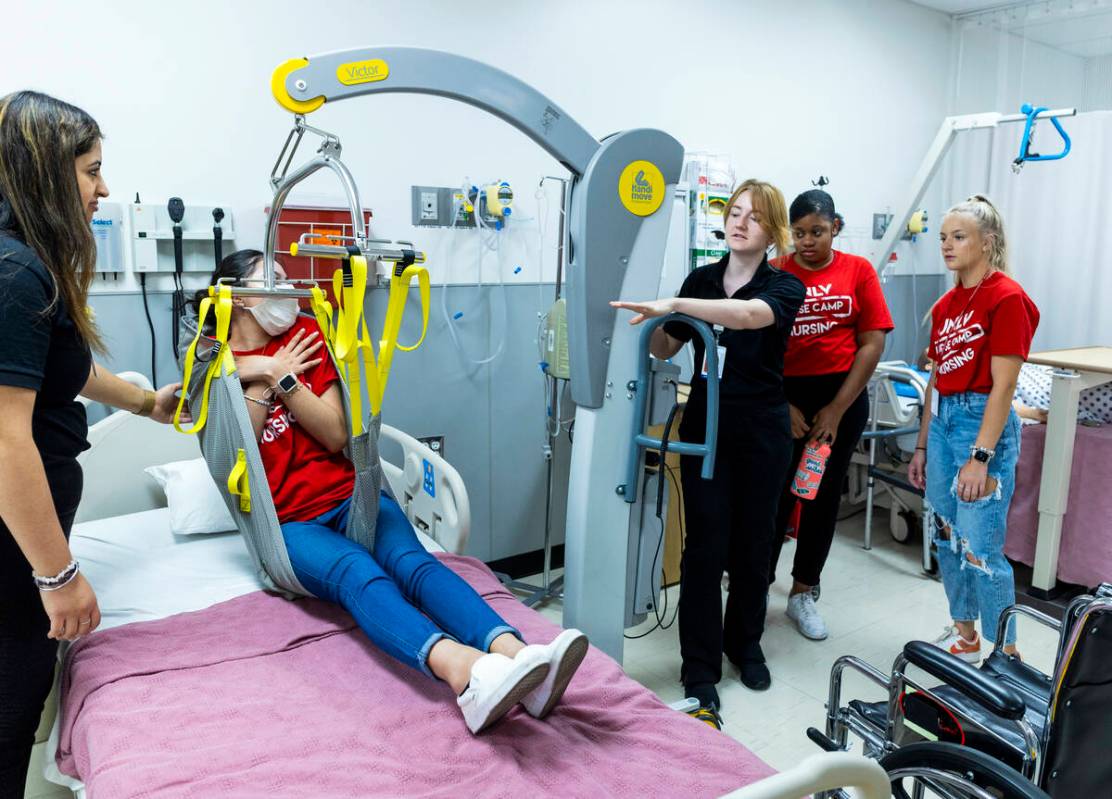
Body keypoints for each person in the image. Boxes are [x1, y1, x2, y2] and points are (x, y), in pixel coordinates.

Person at [194, 250, 588, 734]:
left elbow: (337, 434)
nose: (289, 288)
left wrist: (282, 376)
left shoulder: (311, 336)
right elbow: (237, 451)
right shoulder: (210, 361)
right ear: (234, 296)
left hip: (352, 498)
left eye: (287, 276)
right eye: (272, 280)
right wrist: (258, 370)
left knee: (414, 564)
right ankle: (465, 674)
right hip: (290, 525)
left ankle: (524, 659)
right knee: (359, 573)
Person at [0, 91, 183, 793]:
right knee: (10, 717)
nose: (103, 187)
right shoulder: (17, 276)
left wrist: (148, 402)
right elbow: (7, 440)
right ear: (45, 173)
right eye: (90, 169)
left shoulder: (24, 268)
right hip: (15, 558)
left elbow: (64, 370)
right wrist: (58, 575)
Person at [611, 179, 805, 726]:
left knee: (754, 544)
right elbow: (666, 344)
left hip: (762, 429)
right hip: (705, 427)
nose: (739, 222)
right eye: (734, 212)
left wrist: (674, 303)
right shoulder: (700, 279)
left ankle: (746, 646)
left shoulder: (785, 287)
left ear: (773, 232)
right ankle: (699, 665)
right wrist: (646, 322)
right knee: (704, 548)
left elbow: (745, 317)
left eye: (754, 217)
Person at [908, 195, 1038, 662]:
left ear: (988, 241)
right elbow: (935, 381)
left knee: (981, 548)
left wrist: (980, 458)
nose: (947, 245)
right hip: (944, 423)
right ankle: (965, 636)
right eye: (943, 237)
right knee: (946, 535)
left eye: (958, 236)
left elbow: (1004, 387)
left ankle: (1006, 654)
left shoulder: (1007, 298)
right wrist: (922, 445)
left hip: (982, 424)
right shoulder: (946, 306)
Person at [769, 190, 893, 640]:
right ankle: (757, 581)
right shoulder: (777, 270)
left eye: (816, 232)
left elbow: (872, 343)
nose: (806, 241)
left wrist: (836, 411)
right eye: (798, 233)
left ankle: (803, 592)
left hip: (840, 396)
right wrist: (782, 404)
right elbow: (758, 345)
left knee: (819, 497)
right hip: (783, 397)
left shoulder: (857, 271)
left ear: (835, 226)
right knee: (774, 494)